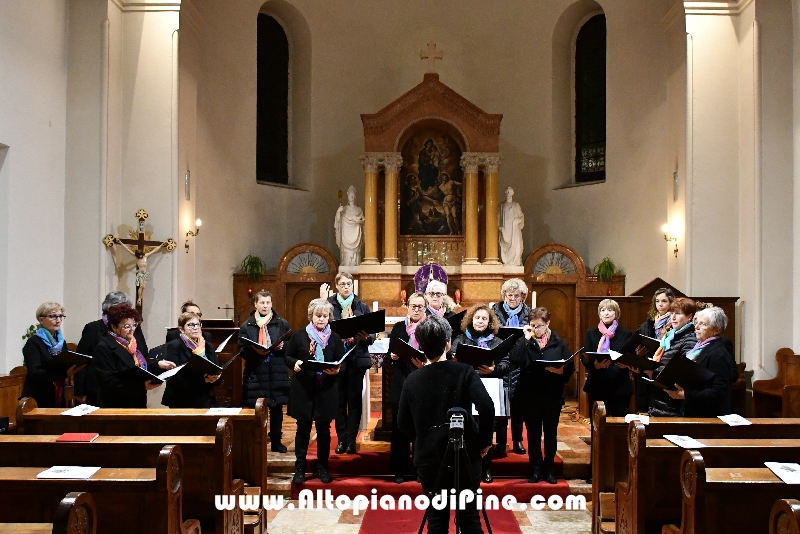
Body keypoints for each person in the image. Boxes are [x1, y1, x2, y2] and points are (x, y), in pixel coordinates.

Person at [397, 314, 494, 534]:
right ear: (448, 343)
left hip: (430, 459)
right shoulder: (465, 372)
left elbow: (402, 422)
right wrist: (482, 442)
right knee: (469, 518)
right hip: (466, 457)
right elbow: (487, 407)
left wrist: (423, 438)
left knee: (437, 519)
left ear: (420, 345)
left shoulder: (413, 380)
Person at [284, 298, 345, 485]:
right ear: (311, 316)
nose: (321, 319)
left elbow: (341, 360)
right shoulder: (300, 335)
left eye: (325, 316)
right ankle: (300, 468)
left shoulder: (334, 338)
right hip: (303, 388)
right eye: (318, 316)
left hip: (325, 389)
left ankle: (323, 467)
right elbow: (288, 355)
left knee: (324, 431)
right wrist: (294, 364)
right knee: (303, 429)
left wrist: (337, 369)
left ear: (329, 317)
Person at [320, 272, 374, 455]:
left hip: (357, 359)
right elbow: (321, 327)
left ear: (353, 285)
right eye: (342, 284)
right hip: (337, 360)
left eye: (349, 284)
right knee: (339, 402)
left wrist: (367, 337)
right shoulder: (329, 305)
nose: (346, 287)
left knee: (354, 402)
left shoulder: (361, 306)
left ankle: (351, 440)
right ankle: (341, 440)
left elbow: (372, 332)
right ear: (337, 286)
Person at [451, 304, 503, 484]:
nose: (480, 321)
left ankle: (486, 466)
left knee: (485, 428)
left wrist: (494, 369)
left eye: (484, 319)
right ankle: (466, 466)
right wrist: (455, 359)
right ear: (471, 319)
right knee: (466, 427)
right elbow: (452, 355)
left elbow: (506, 363)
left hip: (487, 385)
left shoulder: (496, 341)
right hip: (465, 387)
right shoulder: (461, 338)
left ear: (489, 322)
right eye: (477, 318)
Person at [239, 290, 292, 452]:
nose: (265, 305)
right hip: (256, 371)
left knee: (276, 408)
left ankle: (276, 441)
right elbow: (242, 350)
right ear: (255, 304)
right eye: (262, 302)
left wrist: (284, 347)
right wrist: (255, 352)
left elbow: (292, 346)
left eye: (268, 302)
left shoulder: (281, 323)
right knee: (257, 409)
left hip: (276, 370)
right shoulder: (247, 326)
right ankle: (257, 443)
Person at [93, 305, 175, 408]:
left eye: (134, 325)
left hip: (136, 401)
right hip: (116, 404)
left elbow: (138, 370)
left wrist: (157, 365)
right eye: (127, 326)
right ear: (114, 327)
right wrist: (141, 386)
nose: (132, 330)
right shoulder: (104, 347)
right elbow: (108, 382)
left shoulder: (132, 343)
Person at [75, 291, 148, 405]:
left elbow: (143, 352)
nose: (124, 312)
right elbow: (81, 359)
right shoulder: (93, 328)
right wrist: (80, 391)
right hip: (102, 384)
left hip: (131, 387)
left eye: (126, 308)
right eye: (121, 308)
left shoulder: (134, 328)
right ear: (109, 309)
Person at [666, 307, 737, 417]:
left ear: (716, 330)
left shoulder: (718, 354)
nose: (697, 327)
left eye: (703, 324)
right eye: (697, 323)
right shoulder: (701, 347)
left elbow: (719, 391)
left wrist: (686, 394)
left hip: (710, 415)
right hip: (695, 410)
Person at [388, 292, 427, 483]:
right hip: (402, 381)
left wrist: (425, 362)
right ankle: (399, 469)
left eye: (420, 306)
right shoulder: (398, 328)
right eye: (413, 306)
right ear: (408, 306)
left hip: (423, 382)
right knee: (400, 427)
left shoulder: (430, 328)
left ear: (425, 308)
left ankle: (420, 469)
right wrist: (393, 357)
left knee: (422, 429)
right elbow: (389, 355)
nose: (416, 309)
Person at [491, 278, 530, 455]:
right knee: (500, 406)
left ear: (523, 296)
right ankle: (500, 442)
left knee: (518, 406)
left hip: (521, 364)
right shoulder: (495, 311)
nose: (512, 298)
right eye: (509, 295)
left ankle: (518, 440)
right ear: (504, 295)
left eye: (516, 295)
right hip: (501, 362)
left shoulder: (529, 314)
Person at [21, 302, 83, 408]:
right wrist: (63, 374)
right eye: (53, 316)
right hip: (38, 397)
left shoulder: (60, 342)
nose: (58, 320)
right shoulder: (33, 343)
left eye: (60, 316)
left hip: (57, 394)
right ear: (41, 320)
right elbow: (35, 373)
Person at [582, 299, 633, 417]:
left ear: (616, 313)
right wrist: (595, 366)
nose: (606, 313)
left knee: (619, 423)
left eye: (610, 310)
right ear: (599, 314)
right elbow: (585, 357)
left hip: (619, 382)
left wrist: (627, 364)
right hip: (597, 382)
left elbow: (631, 356)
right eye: (603, 310)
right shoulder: (591, 332)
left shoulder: (626, 333)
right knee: (597, 423)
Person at [649, 298, 698, 417]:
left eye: (678, 313)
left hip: (673, 403)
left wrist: (654, 372)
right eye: (672, 313)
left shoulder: (689, 339)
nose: (673, 317)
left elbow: (682, 371)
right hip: (661, 399)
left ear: (690, 317)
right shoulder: (670, 337)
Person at [161, 311, 221, 408]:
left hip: (205, 398)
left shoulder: (207, 346)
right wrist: (203, 380)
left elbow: (216, 369)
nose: (196, 328)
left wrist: (216, 378)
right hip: (182, 399)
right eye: (190, 325)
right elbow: (174, 377)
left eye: (198, 324)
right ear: (181, 329)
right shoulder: (175, 346)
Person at [633, 288, 674, 412]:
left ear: (671, 303)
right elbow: (638, 345)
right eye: (657, 301)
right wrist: (637, 354)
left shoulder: (674, 323)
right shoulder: (647, 325)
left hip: (664, 370)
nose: (660, 305)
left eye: (664, 301)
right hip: (645, 370)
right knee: (644, 409)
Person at [334, 185, 365, 266]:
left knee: (355, 255)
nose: (351, 197)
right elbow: (338, 222)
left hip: (356, 234)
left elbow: (363, 220)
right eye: (350, 195)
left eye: (353, 195)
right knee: (347, 255)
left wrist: (357, 220)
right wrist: (338, 212)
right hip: (346, 235)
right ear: (347, 196)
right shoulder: (343, 209)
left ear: (355, 197)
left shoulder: (359, 209)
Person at [498, 187, 525, 266]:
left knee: (517, 248)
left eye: (510, 192)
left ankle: (515, 262)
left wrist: (518, 220)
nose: (508, 194)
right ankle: (506, 261)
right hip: (505, 231)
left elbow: (521, 216)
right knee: (503, 245)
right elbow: (497, 218)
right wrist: (499, 227)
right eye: (507, 192)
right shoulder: (501, 206)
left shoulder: (516, 205)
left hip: (514, 231)